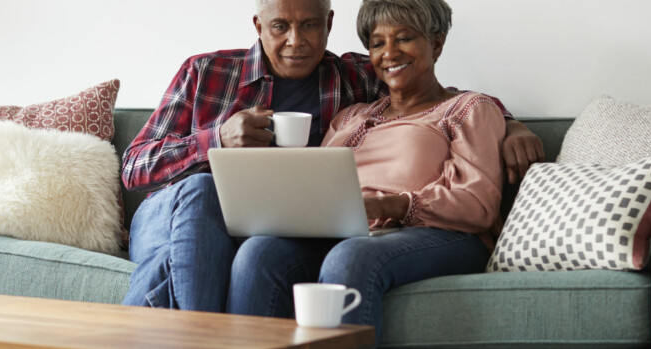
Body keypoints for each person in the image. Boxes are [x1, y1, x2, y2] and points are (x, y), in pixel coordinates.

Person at [120, 0, 542, 312]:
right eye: (281, 26)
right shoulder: (206, 71)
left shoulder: (351, 80)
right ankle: (201, 338)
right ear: (258, 25)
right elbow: (134, 165)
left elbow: (442, 100)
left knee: (255, 251)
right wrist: (214, 140)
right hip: (172, 209)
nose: (296, 41)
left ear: (329, 24)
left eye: (309, 25)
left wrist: (514, 124)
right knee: (202, 189)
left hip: (316, 227)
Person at [225, 0, 500, 343]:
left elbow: (478, 204)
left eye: (404, 38)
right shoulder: (351, 115)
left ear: (437, 43)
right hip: (349, 232)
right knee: (258, 252)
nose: (389, 53)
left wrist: (387, 205)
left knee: (350, 257)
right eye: (377, 43)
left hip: (443, 235)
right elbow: (318, 185)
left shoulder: (468, 109)